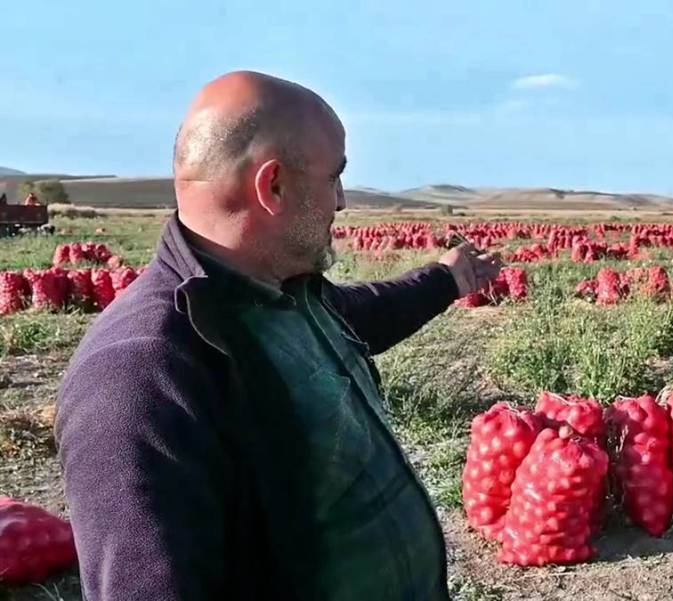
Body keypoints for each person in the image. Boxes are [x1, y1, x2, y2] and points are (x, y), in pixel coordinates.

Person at [55, 71, 501, 600]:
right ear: (274, 186)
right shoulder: (140, 377)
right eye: (334, 177)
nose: (341, 202)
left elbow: (363, 314)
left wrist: (445, 279)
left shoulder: (279, 298)